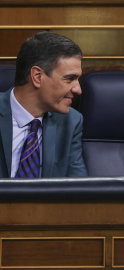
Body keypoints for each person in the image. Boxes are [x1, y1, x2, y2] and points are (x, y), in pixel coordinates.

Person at [0, 31, 88, 178]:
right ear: (37, 77)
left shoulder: (71, 122)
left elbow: (79, 190)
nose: (78, 89)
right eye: (70, 78)